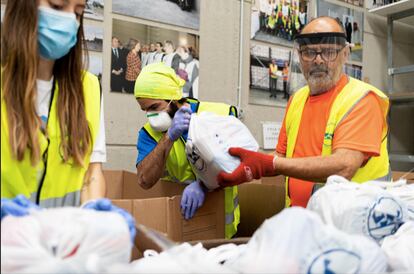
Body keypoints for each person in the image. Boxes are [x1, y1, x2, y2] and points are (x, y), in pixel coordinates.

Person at [217, 16, 390, 208]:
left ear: (345, 54)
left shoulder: (362, 99)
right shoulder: (297, 99)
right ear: (300, 57)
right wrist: (235, 160)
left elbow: (344, 166)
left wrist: (269, 164)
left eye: (328, 52)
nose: (318, 60)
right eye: (309, 52)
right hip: (302, 221)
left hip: (351, 227)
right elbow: (281, 157)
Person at [1, 0, 135, 243]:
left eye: (78, 11)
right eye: (57, 6)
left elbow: (92, 171)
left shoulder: (89, 88)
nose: (68, 21)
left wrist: (92, 214)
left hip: (60, 250)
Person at [134, 63, 240, 239]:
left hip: (222, 230)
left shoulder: (218, 114)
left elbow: (240, 164)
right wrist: (168, 137)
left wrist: (204, 185)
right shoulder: (148, 134)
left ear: (173, 98)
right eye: (144, 110)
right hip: (181, 228)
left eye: (154, 107)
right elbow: (145, 180)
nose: (150, 117)